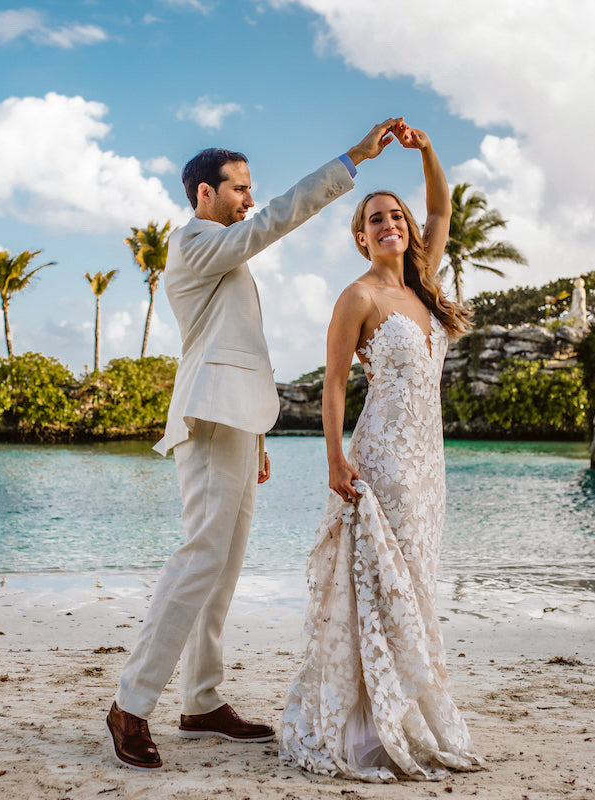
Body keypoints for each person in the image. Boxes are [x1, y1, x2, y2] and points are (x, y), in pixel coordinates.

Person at [105, 118, 403, 772]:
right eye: (238, 188)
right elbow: (273, 222)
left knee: (223, 565)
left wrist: (259, 434)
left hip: (236, 424)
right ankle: (131, 703)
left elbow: (231, 347)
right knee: (200, 556)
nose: (247, 198)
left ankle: (202, 699)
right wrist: (350, 159)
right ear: (203, 194)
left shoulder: (218, 252)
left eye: (249, 187)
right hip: (210, 423)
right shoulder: (193, 242)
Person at [279, 123, 486, 782]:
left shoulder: (424, 284)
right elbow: (335, 383)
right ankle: (373, 724)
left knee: (417, 588)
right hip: (384, 459)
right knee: (384, 591)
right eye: (376, 217)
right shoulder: (358, 297)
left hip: (431, 466)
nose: (390, 222)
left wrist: (426, 150)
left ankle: (410, 712)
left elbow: (443, 208)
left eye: (396, 215)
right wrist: (335, 458)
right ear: (361, 236)